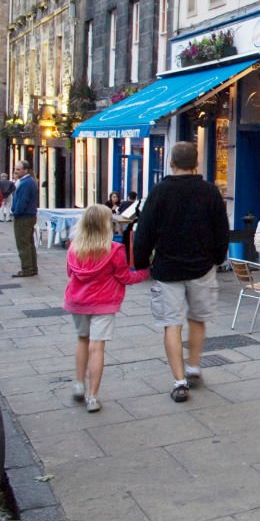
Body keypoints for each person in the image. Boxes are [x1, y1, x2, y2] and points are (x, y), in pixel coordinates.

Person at [133, 141, 229, 403]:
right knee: (198, 319)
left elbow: (145, 231)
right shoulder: (209, 192)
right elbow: (222, 230)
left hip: (167, 268)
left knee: (171, 324)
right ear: (196, 163)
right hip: (201, 266)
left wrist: (140, 262)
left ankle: (179, 381)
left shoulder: (160, 191)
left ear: (172, 163)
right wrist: (217, 258)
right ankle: (194, 366)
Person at [64, 204, 150, 413]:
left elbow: (70, 273)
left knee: (82, 340)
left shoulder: (74, 247)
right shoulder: (114, 250)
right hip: (104, 302)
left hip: (78, 301)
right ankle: (92, 396)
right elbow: (124, 277)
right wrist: (143, 273)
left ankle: (78, 383)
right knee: (97, 347)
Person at [11, 160, 39, 277]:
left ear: (26, 170)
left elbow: (22, 201)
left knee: (23, 244)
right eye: (15, 169)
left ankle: (27, 269)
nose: (15, 171)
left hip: (24, 217)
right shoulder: (27, 181)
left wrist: (16, 212)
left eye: (18, 169)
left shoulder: (26, 183)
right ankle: (32, 268)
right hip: (29, 215)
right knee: (29, 243)